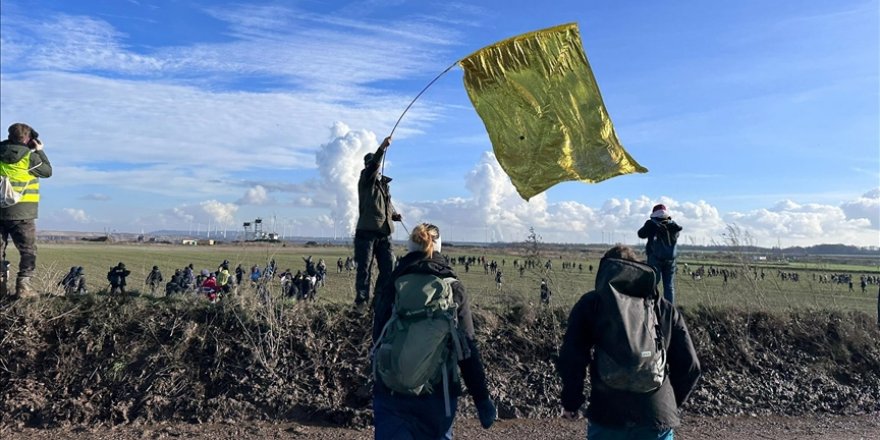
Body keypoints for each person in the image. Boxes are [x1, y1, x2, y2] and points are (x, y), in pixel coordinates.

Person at [558, 245, 701, 440]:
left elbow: (572, 357)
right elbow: (690, 366)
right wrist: (669, 403)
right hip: (657, 417)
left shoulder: (592, 303)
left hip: (608, 415)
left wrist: (571, 402)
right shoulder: (663, 308)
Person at [371, 223, 495, 439]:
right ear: (439, 247)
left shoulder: (392, 284)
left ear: (410, 247)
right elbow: (467, 349)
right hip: (437, 396)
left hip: (391, 392)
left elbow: (378, 337)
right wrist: (482, 399)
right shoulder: (453, 287)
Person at [0, 123, 53, 298]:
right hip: (23, 214)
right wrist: (39, 151)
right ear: (29, 139)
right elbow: (47, 171)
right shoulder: (30, 158)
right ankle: (24, 286)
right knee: (28, 250)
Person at [354, 136, 402, 314]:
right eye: (369, 165)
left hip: (384, 232)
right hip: (366, 232)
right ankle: (361, 303)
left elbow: (384, 208)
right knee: (364, 269)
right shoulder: (366, 180)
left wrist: (394, 216)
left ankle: (379, 301)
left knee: (389, 269)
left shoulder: (383, 187)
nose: (372, 168)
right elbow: (374, 164)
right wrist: (382, 147)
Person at [638, 204, 683, 303]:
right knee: (669, 286)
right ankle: (669, 311)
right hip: (671, 259)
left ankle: (650, 307)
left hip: (655, 258)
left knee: (652, 284)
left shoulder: (651, 223)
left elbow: (641, 234)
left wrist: (650, 229)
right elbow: (676, 236)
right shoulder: (673, 224)